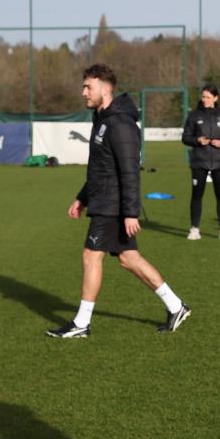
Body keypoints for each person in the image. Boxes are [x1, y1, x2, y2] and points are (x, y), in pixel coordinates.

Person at [46, 64, 191, 339]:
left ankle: (81, 323)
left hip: (113, 206)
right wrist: (82, 197)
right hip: (103, 201)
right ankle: (176, 306)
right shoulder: (101, 119)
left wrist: (131, 212)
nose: (83, 92)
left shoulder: (120, 124)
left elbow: (129, 170)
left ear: (105, 88)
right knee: (128, 258)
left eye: (88, 86)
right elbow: (101, 168)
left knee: (91, 256)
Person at [180, 84, 220, 240]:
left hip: (219, 162)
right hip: (199, 161)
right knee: (197, 195)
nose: (204, 100)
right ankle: (194, 229)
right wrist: (197, 140)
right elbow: (185, 137)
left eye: (208, 97)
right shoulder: (193, 115)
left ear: (215, 98)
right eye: (203, 97)